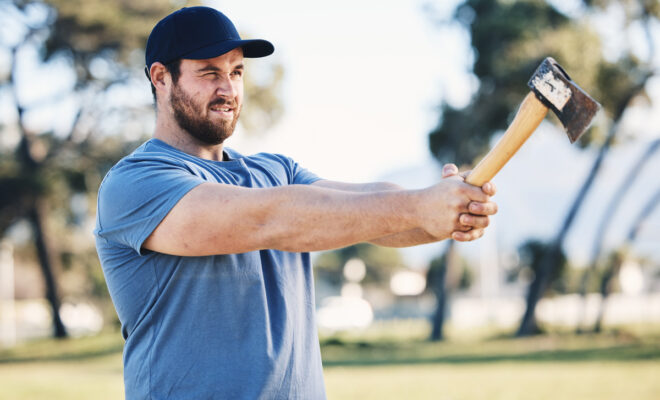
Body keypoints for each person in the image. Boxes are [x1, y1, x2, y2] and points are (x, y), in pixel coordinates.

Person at [94, 6, 498, 400]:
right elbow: (269, 219)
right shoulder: (134, 184)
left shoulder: (277, 171)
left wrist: (446, 210)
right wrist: (419, 207)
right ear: (161, 78)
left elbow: (369, 206)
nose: (228, 89)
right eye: (210, 73)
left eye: (236, 72)